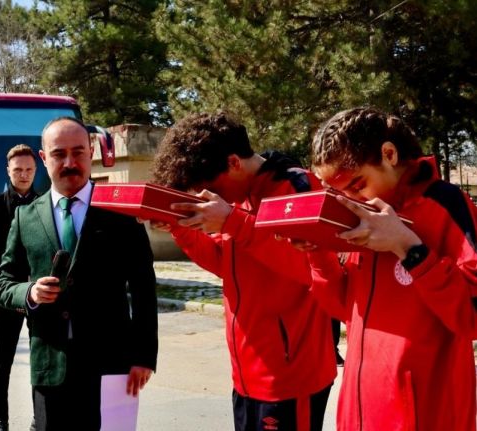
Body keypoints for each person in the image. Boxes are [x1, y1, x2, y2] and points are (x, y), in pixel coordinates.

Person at [150, 112, 337, 431]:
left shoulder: (296, 186)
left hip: (291, 379)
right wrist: (180, 228)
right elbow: (225, 263)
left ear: (234, 162)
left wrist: (233, 222)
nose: (208, 196)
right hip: (247, 374)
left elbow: (313, 270)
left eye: (211, 187)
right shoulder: (236, 199)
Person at [301, 107, 477, 430]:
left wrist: (408, 249)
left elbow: (473, 316)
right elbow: (345, 310)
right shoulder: (362, 214)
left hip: (424, 416)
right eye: (337, 192)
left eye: (357, 185)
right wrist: (318, 252)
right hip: (359, 413)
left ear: (389, 154)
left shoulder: (445, 204)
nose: (349, 200)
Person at [0, 117, 158, 431]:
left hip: (111, 365)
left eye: (78, 152)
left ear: (91, 152)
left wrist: (143, 356)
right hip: (49, 367)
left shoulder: (120, 212)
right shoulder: (25, 217)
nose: (70, 163)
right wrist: (29, 292)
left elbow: (143, 288)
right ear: (44, 158)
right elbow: (3, 284)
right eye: (59, 154)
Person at [0, 144, 39, 431]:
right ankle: (0, 418)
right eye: (18, 170)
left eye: (29, 169)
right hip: (6, 294)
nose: (24, 174)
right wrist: (18, 287)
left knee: (41, 359)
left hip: (41, 294)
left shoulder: (45, 203)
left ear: (36, 170)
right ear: (8, 171)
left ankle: (40, 416)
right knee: (2, 360)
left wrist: (35, 285)